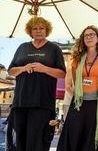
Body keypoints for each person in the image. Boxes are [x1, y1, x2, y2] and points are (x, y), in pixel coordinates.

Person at [7, 16, 66, 151]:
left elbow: (62, 73)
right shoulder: (22, 47)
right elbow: (11, 71)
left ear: (47, 30)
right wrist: (23, 68)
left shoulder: (54, 48)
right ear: (30, 31)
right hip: (21, 102)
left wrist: (43, 69)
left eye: (41, 28)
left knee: (38, 142)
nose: (38, 31)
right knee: (19, 142)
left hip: (43, 103)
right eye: (35, 28)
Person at [57, 25, 98, 151]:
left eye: (92, 34)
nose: (89, 37)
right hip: (78, 102)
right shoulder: (77, 57)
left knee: (89, 136)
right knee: (73, 133)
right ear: (83, 39)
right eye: (86, 35)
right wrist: (75, 90)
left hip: (95, 103)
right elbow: (74, 79)